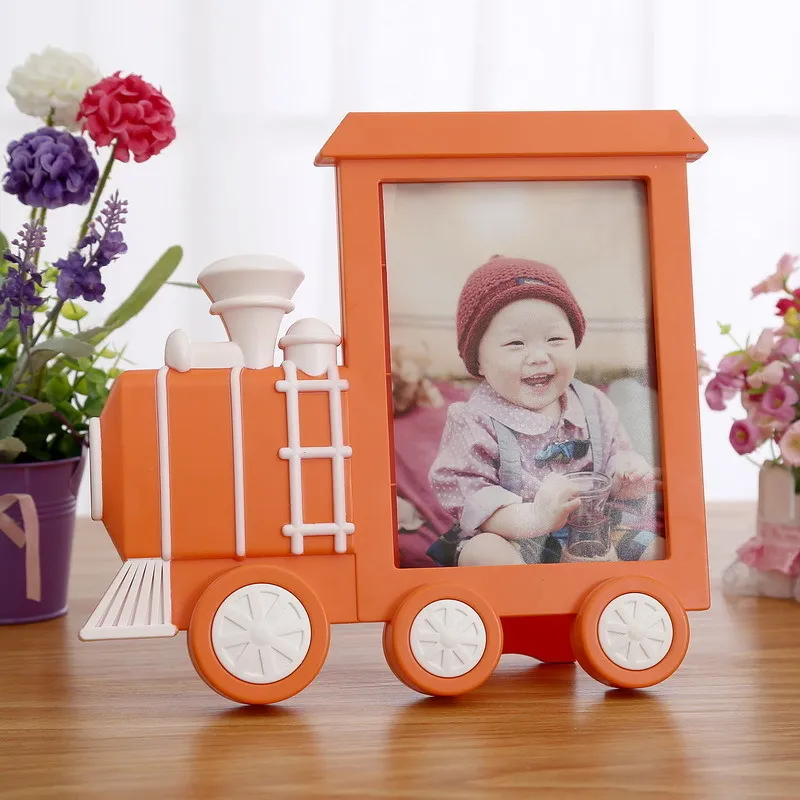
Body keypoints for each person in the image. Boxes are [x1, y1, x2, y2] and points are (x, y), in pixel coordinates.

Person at [428, 255, 663, 566]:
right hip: (517, 539)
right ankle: (529, 593)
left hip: (596, 531)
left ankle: (620, 589)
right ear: (478, 361)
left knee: (658, 550)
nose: (539, 356)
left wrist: (626, 477)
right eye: (516, 343)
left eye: (555, 339)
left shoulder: (593, 404)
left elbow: (612, 463)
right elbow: (475, 500)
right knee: (482, 552)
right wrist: (535, 518)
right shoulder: (474, 420)